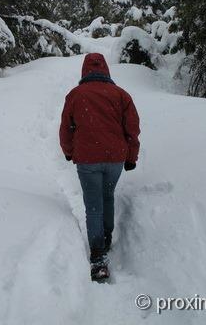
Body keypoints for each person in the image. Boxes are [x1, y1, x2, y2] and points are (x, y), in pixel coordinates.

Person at [59, 53, 140, 281]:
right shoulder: (121, 95)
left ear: (85, 70)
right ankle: (106, 238)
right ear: (106, 70)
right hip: (115, 158)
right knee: (108, 197)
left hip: (87, 159)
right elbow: (132, 129)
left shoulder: (75, 95)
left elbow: (66, 129)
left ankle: (98, 256)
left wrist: (68, 152)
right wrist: (131, 157)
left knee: (93, 204)